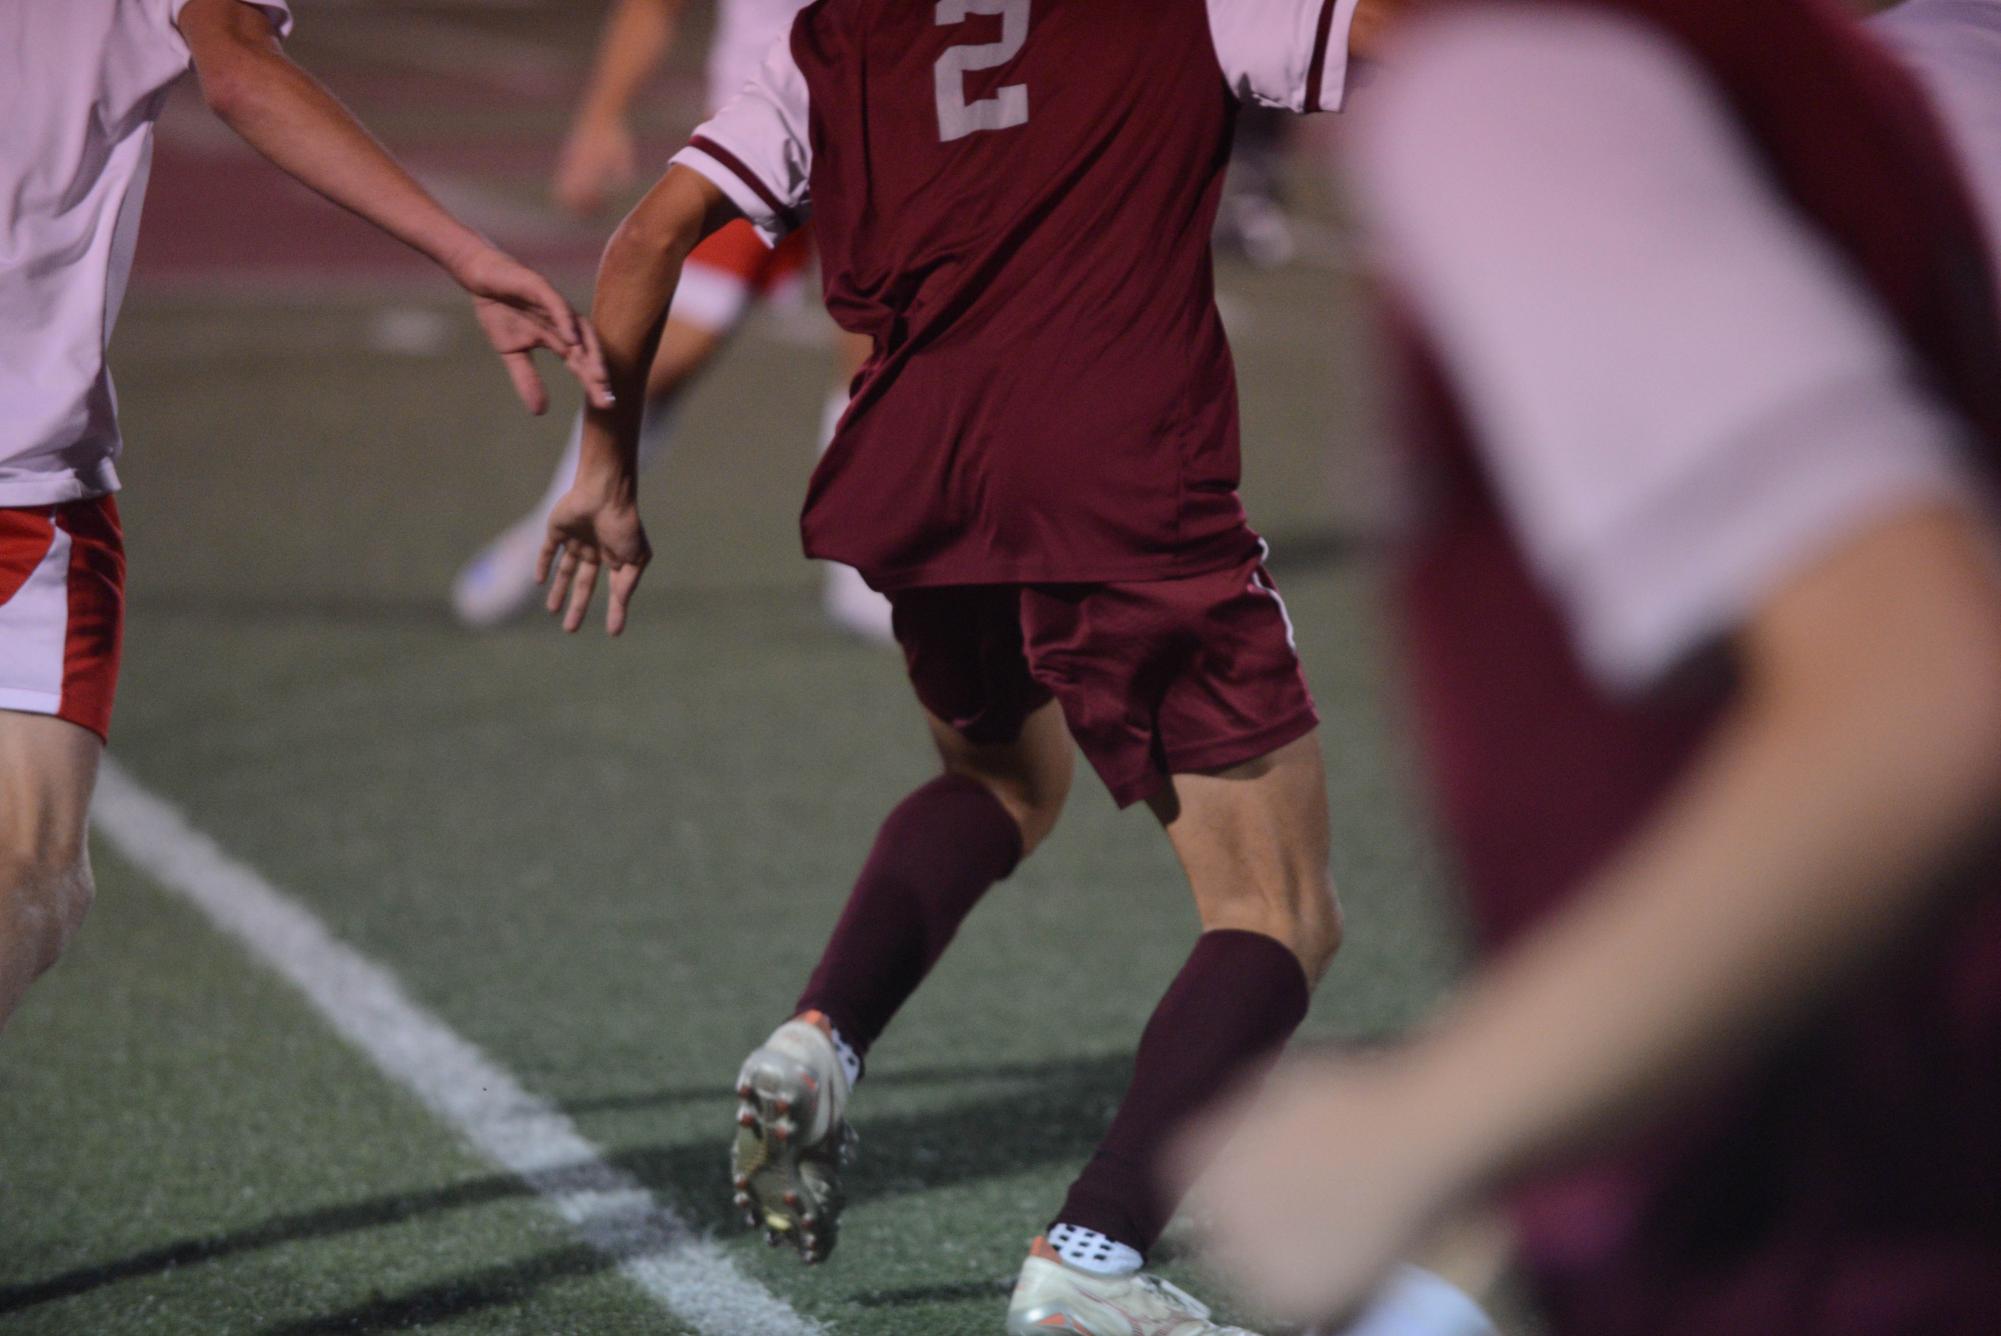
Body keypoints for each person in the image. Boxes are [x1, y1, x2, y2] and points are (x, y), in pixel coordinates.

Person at [536, 0, 1381, 1330]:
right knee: (1277, 911)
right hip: (1117, 476)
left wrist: (607, 474)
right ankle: (1091, 1257)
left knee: (1000, 781)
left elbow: (648, 236)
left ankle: (823, 1034)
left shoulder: (835, 31)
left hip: (917, 473)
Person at [1177, 1, 2001, 1332]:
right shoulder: (1863, 68)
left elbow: (1925, 694)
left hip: (1835, 1227)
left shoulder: (1530, 85)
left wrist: (1416, 1124)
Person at [0, 0, 608, 1037]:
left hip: (31, 477)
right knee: (31, 880)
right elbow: (237, 70)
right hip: (24, 476)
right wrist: (465, 252)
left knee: (38, 881)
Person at [448, 0, 889, 640]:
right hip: (766, 131)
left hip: (885, 122)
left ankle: (861, 563)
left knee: (874, 346)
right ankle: (556, 519)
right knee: (663, 356)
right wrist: (600, 117)